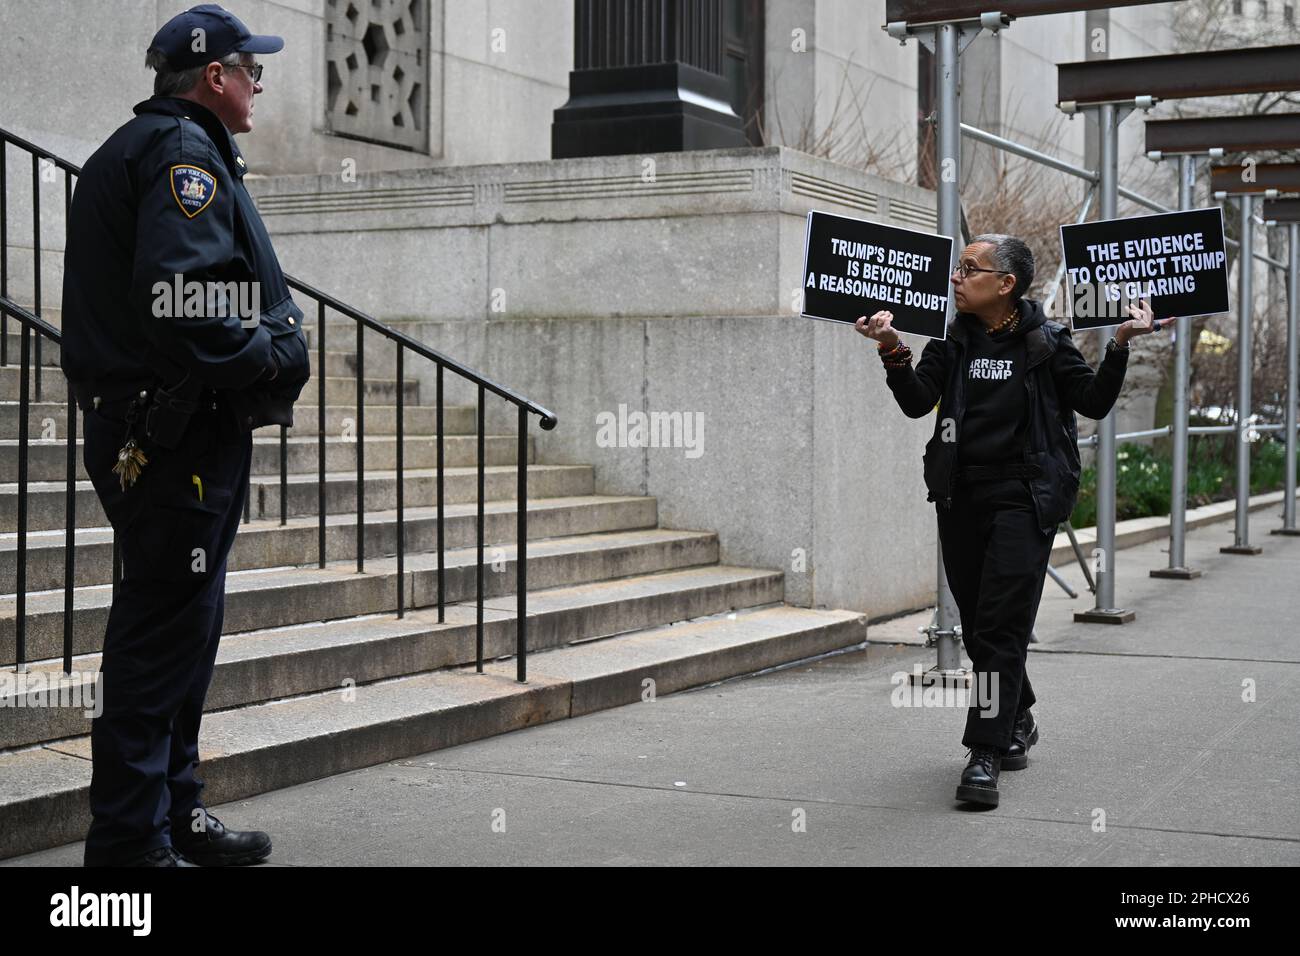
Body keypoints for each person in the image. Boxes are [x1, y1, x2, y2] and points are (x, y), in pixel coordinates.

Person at [60, 3, 311, 865]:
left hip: (166, 429)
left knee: (182, 628)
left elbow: (177, 291)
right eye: (252, 69)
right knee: (161, 630)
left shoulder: (143, 151)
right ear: (215, 76)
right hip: (173, 434)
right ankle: (131, 841)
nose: (259, 83)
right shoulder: (181, 154)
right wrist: (273, 355)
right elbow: (181, 300)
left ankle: (173, 810)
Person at [855, 234, 1161, 808]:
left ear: (1005, 285)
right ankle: (1018, 713)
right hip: (962, 495)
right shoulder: (955, 340)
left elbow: (1091, 402)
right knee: (978, 626)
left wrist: (1119, 343)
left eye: (970, 268)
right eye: (958, 266)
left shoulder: (1047, 343)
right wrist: (892, 346)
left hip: (1025, 497)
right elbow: (918, 401)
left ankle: (985, 752)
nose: (956, 277)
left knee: (1000, 627)